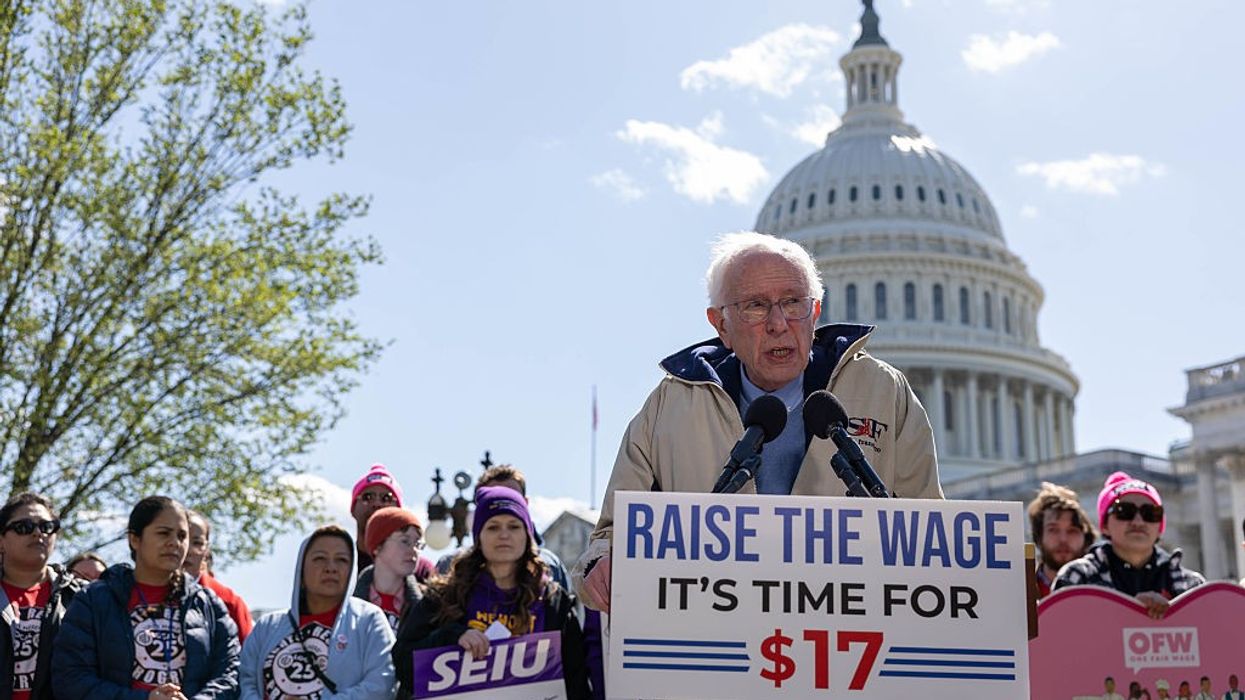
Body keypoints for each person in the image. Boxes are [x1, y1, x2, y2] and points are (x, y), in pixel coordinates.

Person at [574, 231, 943, 611]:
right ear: (721, 326)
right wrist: (603, 564)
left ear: (815, 314)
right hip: (717, 633)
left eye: (793, 303)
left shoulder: (883, 390)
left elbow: (933, 533)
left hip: (848, 631)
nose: (778, 323)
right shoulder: (671, 405)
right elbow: (612, 535)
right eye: (755, 306)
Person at [393, 486, 589, 699]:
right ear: (479, 537)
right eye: (493, 527)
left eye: (514, 526)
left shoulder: (553, 600)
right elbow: (403, 663)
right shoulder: (446, 594)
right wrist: (452, 637)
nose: (504, 535)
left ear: (527, 535)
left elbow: (576, 679)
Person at [53, 495, 240, 700]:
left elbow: (230, 675)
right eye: (163, 533)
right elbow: (70, 679)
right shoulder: (93, 601)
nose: (174, 543)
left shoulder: (207, 604)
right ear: (134, 539)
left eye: (182, 536)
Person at [239, 525, 395, 700]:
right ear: (301, 569)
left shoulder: (369, 621)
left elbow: (382, 684)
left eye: (342, 560)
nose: (331, 568)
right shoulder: (267, 627)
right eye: (320, 558)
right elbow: (246, 681)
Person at [1054, 472, 1205, 619]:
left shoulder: (1191, 584)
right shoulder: (1077, 577)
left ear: (1160, 527)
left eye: (1150, 513)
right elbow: (1058, 636)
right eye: (1124, 511)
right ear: (1105, 525)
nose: (1138, 522)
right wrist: (1127, 614)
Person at [0, 493, 85, 700]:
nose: (38, 533)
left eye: (47, 526)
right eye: (24, 527)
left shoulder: (80, 598)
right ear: (1, 539)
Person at [434, 464, 570, 591]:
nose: (504, 505)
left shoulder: (550, 565)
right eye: (492, 499)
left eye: (512, 498)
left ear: (525, 504)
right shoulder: (451, 566)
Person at [349, 463, 435, 580]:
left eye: (386, 498)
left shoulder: (421, 571)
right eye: (367, 497)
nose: (377, 504)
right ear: (353, 509)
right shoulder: (342, 565)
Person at [184, 511, 253, 642]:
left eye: (197, 543)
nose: (188, 550)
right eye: (182, 539)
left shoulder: (229, 602)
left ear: (206, 550)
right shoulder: (140, 592)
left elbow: (247, 657)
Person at [353, 507, 425, 632]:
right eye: (405, 541)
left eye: (418, 544)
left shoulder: (427, 607)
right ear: (378, 546)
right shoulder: (348, 601)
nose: (414, 550)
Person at [1027, 482, 1096, 598]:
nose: (1063, 539)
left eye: (1072, 530)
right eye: (1053, 530)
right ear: (1038, 536)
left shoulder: (1105, 588)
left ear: (1086, 537)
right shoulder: (1021, 593)